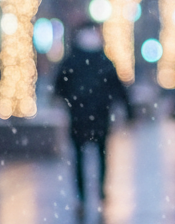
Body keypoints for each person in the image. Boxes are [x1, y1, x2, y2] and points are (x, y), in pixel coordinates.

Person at [53, 24, 130, 205]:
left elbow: (59, 86)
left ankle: (81, 195)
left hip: (78, 116)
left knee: (79, 156)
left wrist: (70, 101)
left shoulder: (72, 59)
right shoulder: (104, 60)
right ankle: (101, 190)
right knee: (101, 153)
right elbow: (118, 88)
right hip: (100, 116)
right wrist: (126, 109)